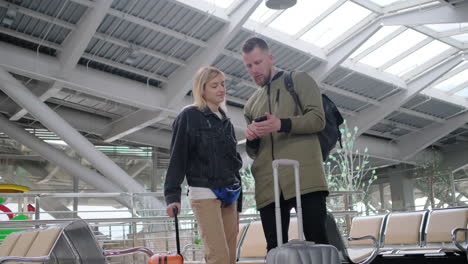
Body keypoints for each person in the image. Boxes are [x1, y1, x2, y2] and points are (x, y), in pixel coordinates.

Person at [241, 37, 329, 251]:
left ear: (270, 58)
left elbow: (318, 119)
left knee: (318, 245)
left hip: (305, 178)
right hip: (268, 185)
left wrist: (281, 123)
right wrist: (251, 139)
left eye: (258, 62)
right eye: (249, 66)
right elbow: (255, 152)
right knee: (275, 250)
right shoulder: (251, 104)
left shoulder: (299, 80)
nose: (254, 70)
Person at [164, 66, 243, 264]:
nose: (221, 89)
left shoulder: (226, 121)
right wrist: (172, 196)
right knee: (219, 256)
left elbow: (234, 164)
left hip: (230, 193)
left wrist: (239, 207)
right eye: (214, 85)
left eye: (223, 84)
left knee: (231, 256)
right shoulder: (189, 116)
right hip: (204, 193)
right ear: (202, 89)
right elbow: (177, 157)